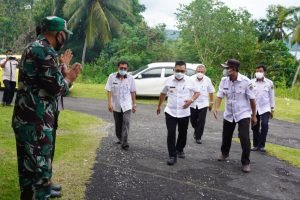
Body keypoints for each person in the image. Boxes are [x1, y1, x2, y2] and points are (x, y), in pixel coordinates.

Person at [12, 16, 81, 200]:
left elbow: (42, 80)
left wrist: (61, 71)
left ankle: (40, 187)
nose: (65, 38)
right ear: (58, 34)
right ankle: (41, 190)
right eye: (64, 35)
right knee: (37, 173)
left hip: (29, 118)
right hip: (36, 121)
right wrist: (70, 78)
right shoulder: (45, 50)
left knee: (30, 170)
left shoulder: (34, 47)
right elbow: (57, 88)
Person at [213, 59, 257, 173]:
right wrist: (216, 108)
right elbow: (219, 95)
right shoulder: (224, 81)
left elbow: (252, 100)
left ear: (234, 69)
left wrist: (254, 116)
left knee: (244, 137)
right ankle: (224, 153)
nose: (225, 70)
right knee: (226, 135)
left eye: (227, 68)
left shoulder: (246, 81)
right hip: (229, 113)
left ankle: (246, 162)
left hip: (243, 113)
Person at [157, 61, 200, 166]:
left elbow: (197, 92)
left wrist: (191, 100)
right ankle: (172, 155)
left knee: (183, 132)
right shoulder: (168, 81)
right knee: (171, 133)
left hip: (184, 112)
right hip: (170, 111)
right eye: (177, 70)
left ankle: (180, 149)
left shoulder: (190, 81)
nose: (179, 72)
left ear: (185, 71)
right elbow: (162, 94)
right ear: (173, 70)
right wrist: (159, 106)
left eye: (182, 71)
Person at [105, 61, 137, 150]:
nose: (123, 70)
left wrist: (134, 104)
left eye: (125, 68)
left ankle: (125, 142)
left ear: (127, 69)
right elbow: (109, 90)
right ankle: (120, 138)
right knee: (118, 124)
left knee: (126, 123)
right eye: (121, 68)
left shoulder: (131, 78)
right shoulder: (112, 77)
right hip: (116, 105)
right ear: (118, 68)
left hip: (127, 105)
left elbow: (133, 91)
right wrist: (109, 103)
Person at [250, 64, 275, 152]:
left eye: (260, 71)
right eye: (257, 71)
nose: (258, 73)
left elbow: (272, 96)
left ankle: (262, 145)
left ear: (264, 72)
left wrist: (272, 109)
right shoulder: (251, 82)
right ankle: (255, 144)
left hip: (265, 107)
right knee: (255, 126)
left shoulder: (269, 83)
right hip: (254, 108)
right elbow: (249, 95)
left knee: (265, 125)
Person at [190, 64, 215, 144]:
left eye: (202, 71)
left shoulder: (208, 80)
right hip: (192, 103)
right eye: (198, 71)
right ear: (195, 71)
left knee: (201, 120)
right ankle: (196, 130)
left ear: (204, 72)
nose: (200, 73)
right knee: (193, 120)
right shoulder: (190, 79)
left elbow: (211, 92)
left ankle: (198, 137)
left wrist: (211, 102)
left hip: (203, 103)